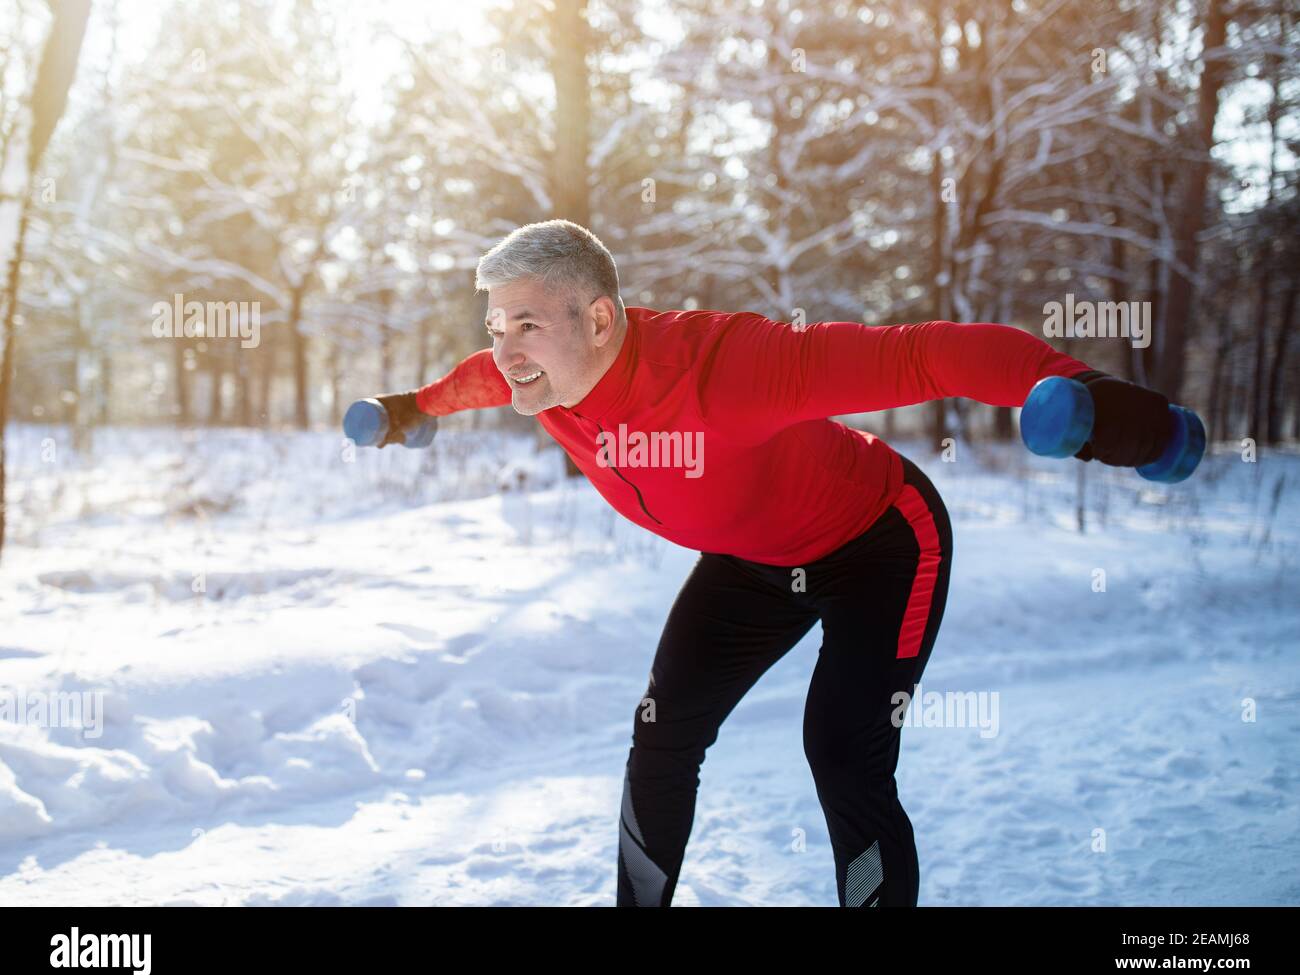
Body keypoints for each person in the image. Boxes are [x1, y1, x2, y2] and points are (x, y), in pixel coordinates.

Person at [372, 219, 1175, 906]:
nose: (506, 351)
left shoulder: (728, 367)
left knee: (840, 746)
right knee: (662, 733)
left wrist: (1094, 398)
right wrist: (406, 410)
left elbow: (925, 354)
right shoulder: (542, 376)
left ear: (601, 321)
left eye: (526, 326)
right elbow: (470, 383)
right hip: (753, 559)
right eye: (496, 325)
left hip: (878, 540)